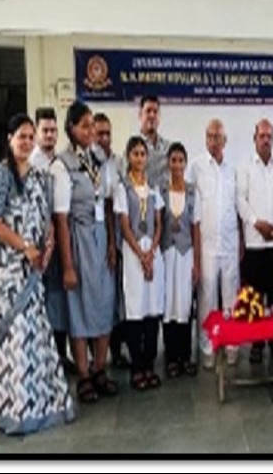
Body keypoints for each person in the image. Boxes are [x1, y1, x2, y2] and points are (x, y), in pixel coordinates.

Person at [0, 113, 75, 435]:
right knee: (16, 338)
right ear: (9, 139)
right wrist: (25, 247)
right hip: (7, 271)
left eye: (29, 137)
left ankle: (42, 405)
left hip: (35, 269)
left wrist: (47, 248)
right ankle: (14, 408)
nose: (25, 142)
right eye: (20, 137)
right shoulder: (0, 175)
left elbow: (47, 219)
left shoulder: (39, 176)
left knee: (36, 336)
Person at [51, 101, 119, 404]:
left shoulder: (101, 158)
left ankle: (100, 367)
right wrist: (67, 265)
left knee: (105, 303)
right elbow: (61, 219)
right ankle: (83, 374)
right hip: (77, 239)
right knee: (78, 307)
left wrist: (112, 243)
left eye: (93, 125)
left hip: (101, 237)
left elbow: (107, 203)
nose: (91, 131)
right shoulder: (61, 165)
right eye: (85, 125)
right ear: (71, 128)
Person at [237, 119, 273, 364]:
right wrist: (256, 223)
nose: (266, 140)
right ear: (255, 138)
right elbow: (240, 200)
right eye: (262, 136)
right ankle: (257, 343)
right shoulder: (245, 166)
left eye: (269, 136)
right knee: (254, 297)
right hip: (255, 243)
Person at [188, 119, 242, 369]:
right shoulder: (196, 167)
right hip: (207, 246)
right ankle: (207, 346)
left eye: (217, 137)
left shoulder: (233, 169)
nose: (213, 141)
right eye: (209, 136)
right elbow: (190, 208)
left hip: (230, 243)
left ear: (225, 140)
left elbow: (238, 206)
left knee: (231, 298)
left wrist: (241, 240)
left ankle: (231, 345)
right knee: (207, 299)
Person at [115, 136, 165, 391]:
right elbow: (124, 226)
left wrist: (152, 251)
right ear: (128, 157)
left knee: (153, 309)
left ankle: (149, 364)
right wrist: (141, 255)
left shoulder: (153, 187)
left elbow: (159, 223)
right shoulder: (123, 188)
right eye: (135, 153)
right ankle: (137, 367)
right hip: (133, 252)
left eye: (143, 154)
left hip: (153, 253)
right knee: (135, 310)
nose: (139, 158)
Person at [29, 107, 76, 375]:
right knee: (37, 301)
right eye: (44, 130)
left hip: (58, 244)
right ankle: (39, 358)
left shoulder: (60, 165)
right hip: (34, 245)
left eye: (53, 131)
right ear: (36, 132)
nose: (49, 135)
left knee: (57, 302)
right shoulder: (29, 163)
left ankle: (59, 355)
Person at [160, 142, 200, 378]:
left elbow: (196, 228)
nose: (176, 165)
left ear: (185, 164)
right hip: (167, 255)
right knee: (169, 306)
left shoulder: (193, 192)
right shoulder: (161, 191)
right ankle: (171, 358)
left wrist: (197, 263)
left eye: (180, 161)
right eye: (173, 160)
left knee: (184, 306)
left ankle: (185, 356)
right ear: (168, 163)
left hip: (186, 255)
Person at [94, 112, 130, 369]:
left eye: (108, 133)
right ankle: (95, 357)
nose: (105, 138)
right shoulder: (87, 163)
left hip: (119, 237)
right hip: (95, 238)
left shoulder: (119, 162)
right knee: (98, 297)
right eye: (100, 134)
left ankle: (117, 351)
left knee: (118, 297)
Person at [138, 95, 170, 188]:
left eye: (155, 112)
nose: (152, 115)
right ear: (140, 115)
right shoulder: (132, 148)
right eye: (148, 111)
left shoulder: (168, 147)